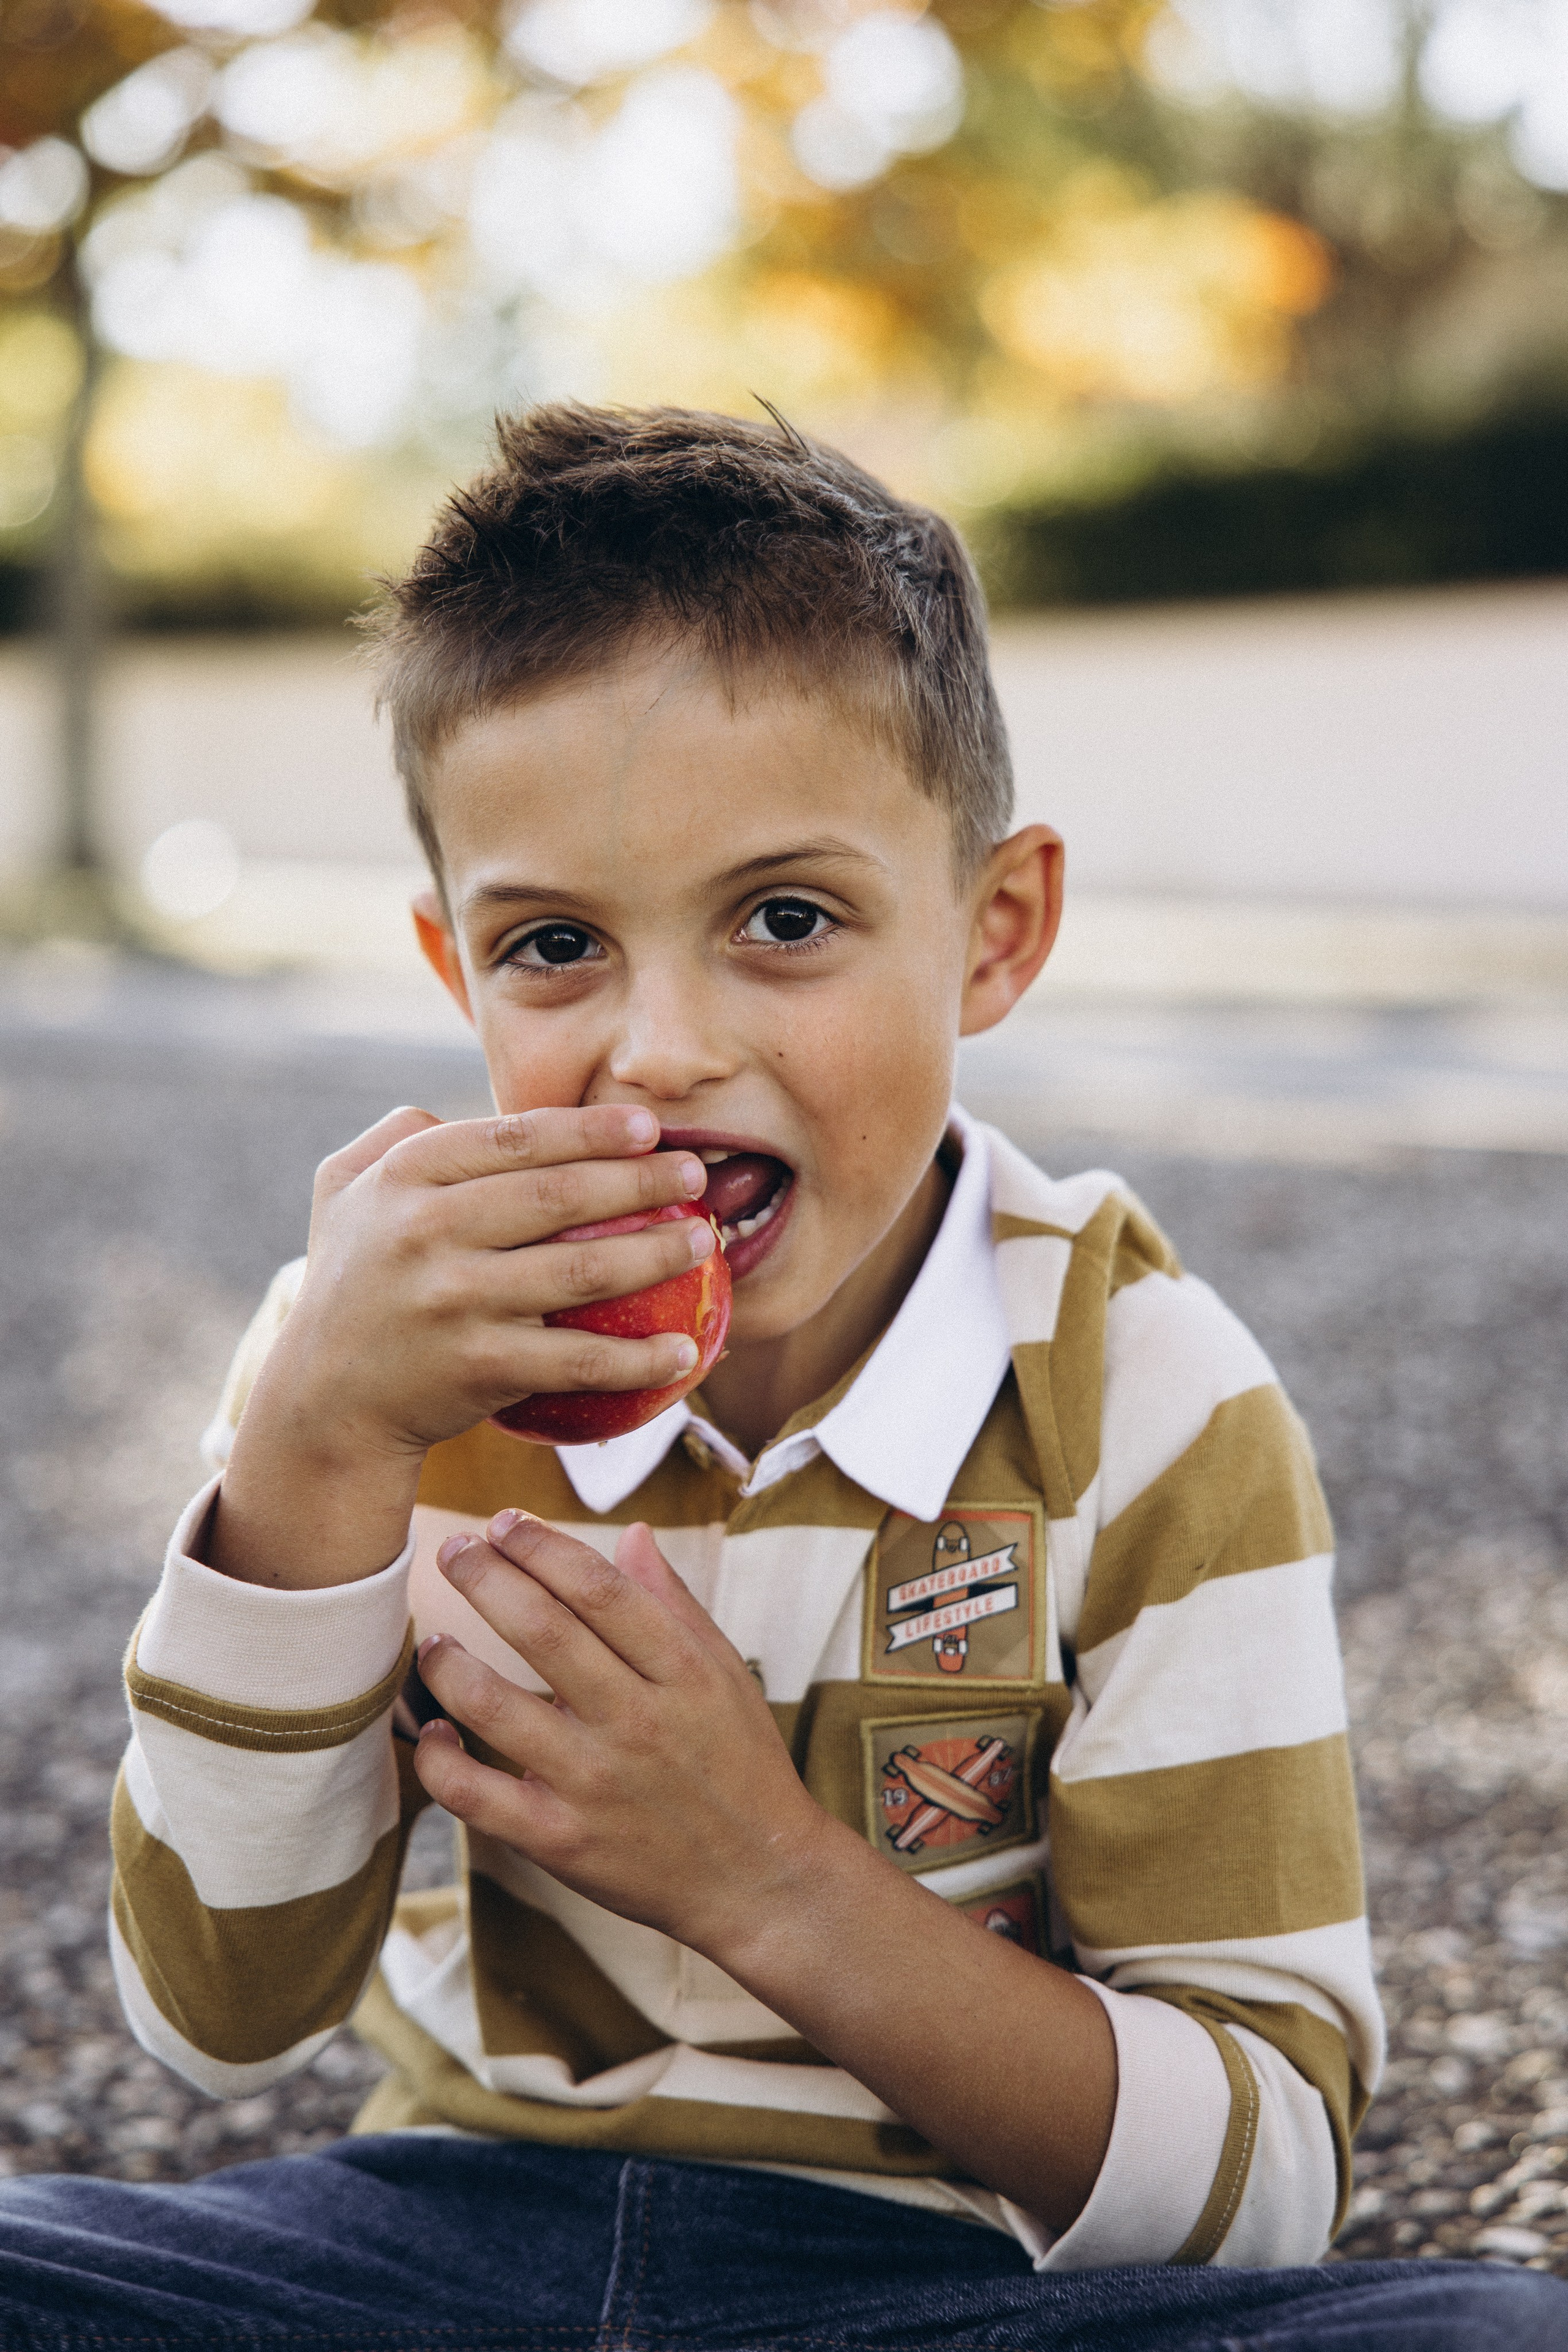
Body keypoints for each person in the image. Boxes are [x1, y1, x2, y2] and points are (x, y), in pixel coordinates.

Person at [2, 407, 1561, 2350]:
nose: (660, 1049)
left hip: (936, 2286)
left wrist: (760, 1874)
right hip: (443, 2239)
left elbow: (1263, 2186)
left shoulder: (1152, 1403)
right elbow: (218, 2023)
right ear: (454, 969)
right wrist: (312, 1446)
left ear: (994, 935)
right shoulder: (374, 1367)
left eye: (787, 919)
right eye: (556, 945)